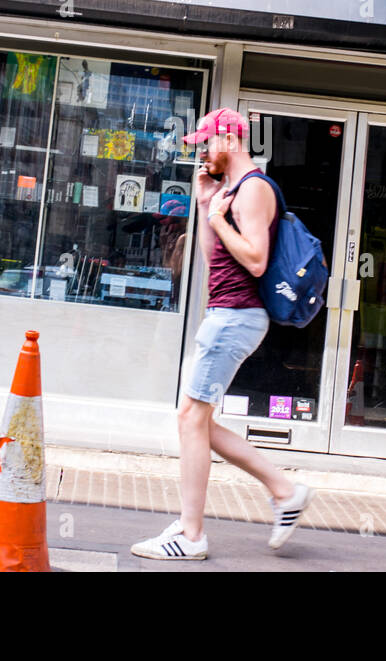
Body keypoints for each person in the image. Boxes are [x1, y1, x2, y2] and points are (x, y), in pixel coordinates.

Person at [131, 108, 314, 561]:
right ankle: (284, 490)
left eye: (205, 144)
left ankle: (191, 536)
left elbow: (254, 259)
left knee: (191, 419)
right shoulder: (232, 190)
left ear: (229, 140)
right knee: (197, 421)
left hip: (236, 316)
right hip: (227, 312)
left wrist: (217, 219)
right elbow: (218, 263)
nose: (201, 153)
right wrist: (205, 203)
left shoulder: (253, 189)